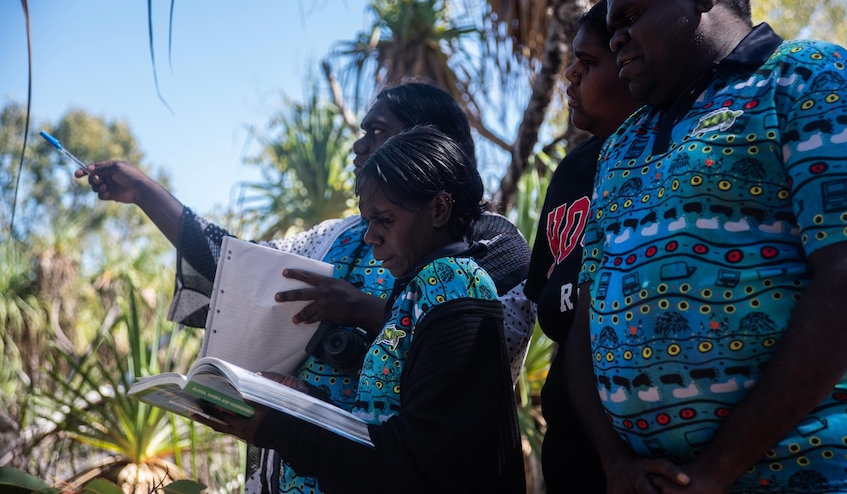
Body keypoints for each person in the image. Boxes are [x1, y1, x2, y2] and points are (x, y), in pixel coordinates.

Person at [79, 81, 534, 493]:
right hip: (303, 463)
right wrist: (145, 193)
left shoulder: (488, 244)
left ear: (428, 145)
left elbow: (479, 353)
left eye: (377, 132)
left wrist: (362, 310)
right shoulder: (335, 236)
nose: (359, 146)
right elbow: (236, 269)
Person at [568, 0, 847, 492]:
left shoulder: (809, 79)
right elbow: (584, 319)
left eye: (629, 18)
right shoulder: (622, 145)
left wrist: (717, 469)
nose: (618, 39)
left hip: (808, 478)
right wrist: (614, 461)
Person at [210, 125, 526, 494]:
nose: (370, 236)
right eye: (368, 221)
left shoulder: (453, 284)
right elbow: (390, 418)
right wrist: (307, 401)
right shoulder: (418, 288)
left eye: (385, 220)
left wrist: (285, 429)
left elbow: (429, 456)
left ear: (439, 208)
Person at [524, 0, 641, 493]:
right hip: (574, 449)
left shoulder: (676, 158)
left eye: (589, 62)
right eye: (571, 60)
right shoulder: (571, 172)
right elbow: (544, 297)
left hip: (647, 455)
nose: (569, 75)